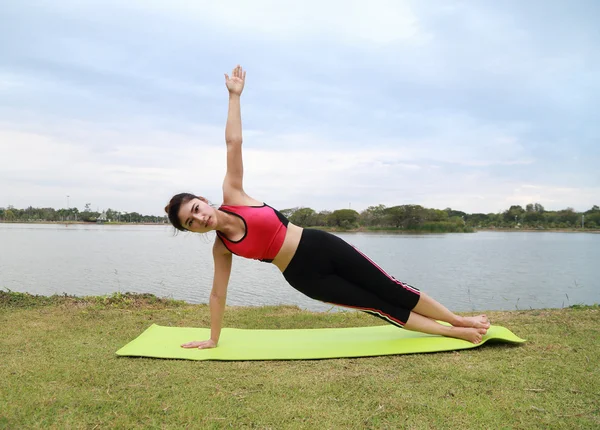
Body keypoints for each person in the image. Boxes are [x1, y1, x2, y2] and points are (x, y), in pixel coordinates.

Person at [165, 65, 490, 350]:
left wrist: (234, 96)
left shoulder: (233, 194)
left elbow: (233, 143)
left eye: (194, 209)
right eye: (191, 223)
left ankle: (459, 320)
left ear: (202, 200)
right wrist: (213, 338)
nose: (199, 218)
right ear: (193, 231)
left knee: (390, 288)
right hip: (304, 276)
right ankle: (455, 335)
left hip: (319, 244)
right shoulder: (222, 248)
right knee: (378, 306)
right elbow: (217, 295)